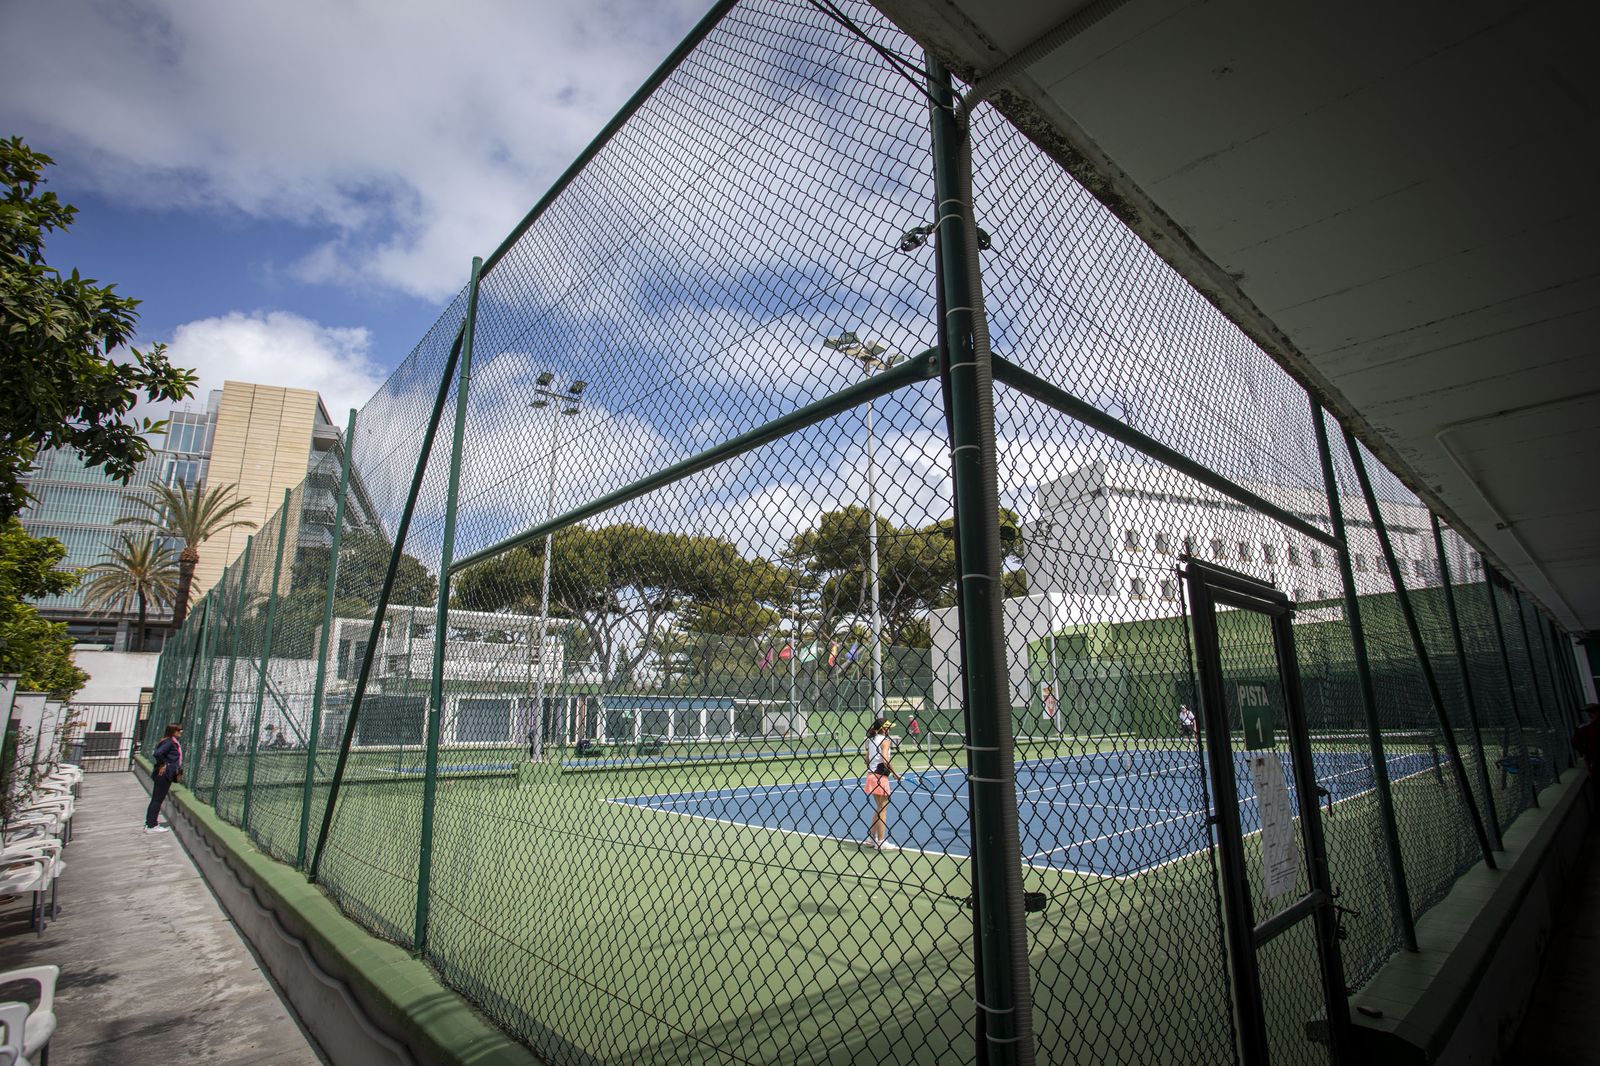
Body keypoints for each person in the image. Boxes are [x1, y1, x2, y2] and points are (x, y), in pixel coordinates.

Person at [861, 717, 901, 851]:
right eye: (888, 727)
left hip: (870, 776)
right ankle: (881, 842)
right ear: (883, 728)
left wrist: (873, 764)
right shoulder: (885, 741)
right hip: (880, 777)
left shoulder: (871, 741)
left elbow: (866, 759)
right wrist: (895, 773)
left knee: (879, 808)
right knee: (883, 810)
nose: (889, 729)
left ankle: (871, 838)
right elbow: (885, 759)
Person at [146, 723, 183, 833]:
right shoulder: (169, 742)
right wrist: (163, 764)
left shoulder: (170, 741)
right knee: (157, 799)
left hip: (164, 773)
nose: (181, 732)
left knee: (156, 799)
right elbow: (158, 754)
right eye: (179, 730)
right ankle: (151, 825)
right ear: (173, 730)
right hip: (163, 774)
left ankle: (150, 823)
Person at [1573, 703, 1600, 779]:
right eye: (1589, 713)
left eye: (1592, 712)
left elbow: (1576, 743)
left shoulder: (1585, 729)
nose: (1590, 715)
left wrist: (1587, 752)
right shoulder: (1585, 729)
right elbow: (1576, 743)